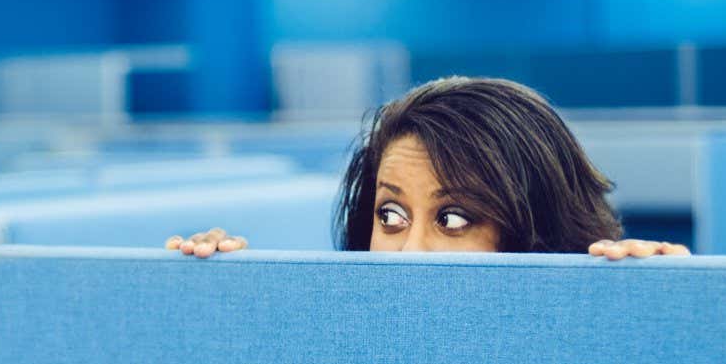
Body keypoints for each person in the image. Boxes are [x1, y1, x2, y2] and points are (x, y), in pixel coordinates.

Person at [165, 76, 690, 260]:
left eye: (454, 219)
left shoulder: (580, 353)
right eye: (390, 215)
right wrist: (221, 296)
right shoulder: (347, 342)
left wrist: (648, 312)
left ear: (538, 231)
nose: (407, 250)